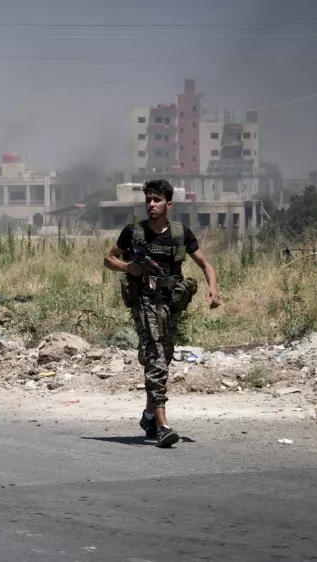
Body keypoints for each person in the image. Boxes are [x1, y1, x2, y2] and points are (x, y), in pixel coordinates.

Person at [105, 179, 220, 448]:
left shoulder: (180, 233)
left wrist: (213, 289)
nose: (151, 205)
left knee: (163, 357)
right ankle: (163, 425)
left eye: (156, 200)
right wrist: (127, 268)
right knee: (156, 355)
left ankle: (147, 416)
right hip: (144, 300)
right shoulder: (134, 232)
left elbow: (206, 264)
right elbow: (108, 258)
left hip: (170, 303)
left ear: (169, 204)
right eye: (148, 200)